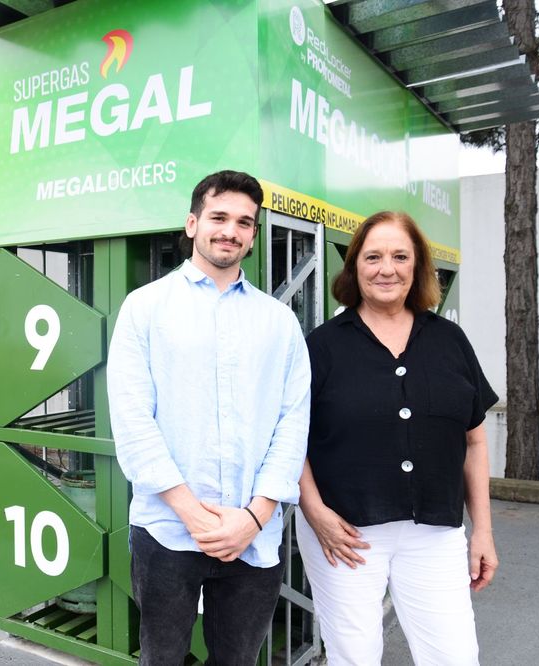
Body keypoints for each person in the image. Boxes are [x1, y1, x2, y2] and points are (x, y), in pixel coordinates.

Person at [106, 170, 311, 664]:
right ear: (192, 223)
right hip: (167, 531)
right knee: (163, 658)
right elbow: (133, 420)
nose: (230, 231)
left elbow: (293, 423)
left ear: (254, 235)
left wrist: (254, 517)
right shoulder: (145, 308)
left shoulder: (279, 323)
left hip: (252, 536)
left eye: (245, 222)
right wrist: (194, 515)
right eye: (219, 217)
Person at [295, 211, 499, 665]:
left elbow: (475, 442)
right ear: (353, 268)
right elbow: (292, 440)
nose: (386, 268)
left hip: (434, 531)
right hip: (344, 533)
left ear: (418, 266)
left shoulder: (450, 340)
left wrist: (482, 531)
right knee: (355, 655)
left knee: (454, 655)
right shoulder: (322, 346)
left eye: (399, 256)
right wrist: (314, 512)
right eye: (373, 256)